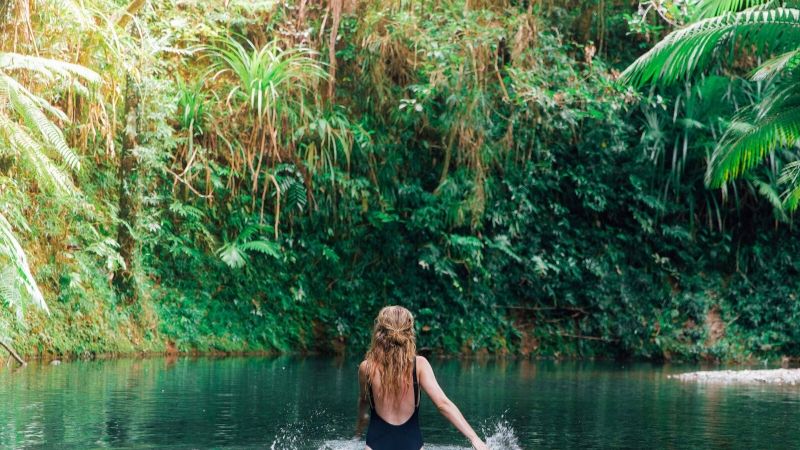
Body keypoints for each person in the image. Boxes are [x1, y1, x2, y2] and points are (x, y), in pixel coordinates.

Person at [355, 305, 488, 450]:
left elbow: (364, 401)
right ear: (409, 332)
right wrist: (475, 439)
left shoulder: (366, 367)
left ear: (379, 332)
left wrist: (360, 424)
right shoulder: (419, 365)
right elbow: (443, 404)